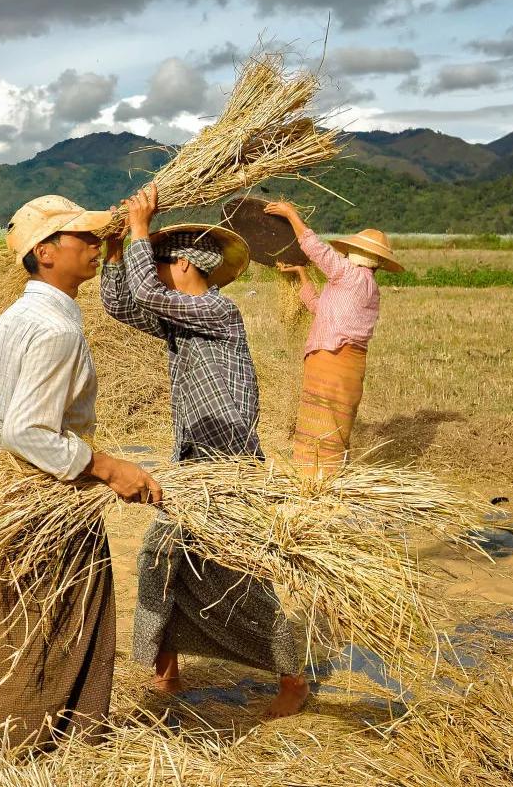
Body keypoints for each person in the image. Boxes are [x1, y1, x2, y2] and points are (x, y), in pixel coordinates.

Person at [103, 185, 308, 719]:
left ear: (188, 266)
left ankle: (293, 678)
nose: (156, 268)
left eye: (163, 259)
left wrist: (141, 229)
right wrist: (115, 249)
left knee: (238, 575)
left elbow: (145, 294)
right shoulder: (180, 318)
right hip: (196, 463)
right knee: (162, 563)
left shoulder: (218, 312)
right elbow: (121, 302)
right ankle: (165, 671)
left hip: (229, 466)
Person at [0, 195, 161, 752]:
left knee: (36, 626)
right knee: (55, 632)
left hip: (16, 497)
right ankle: (6, 743)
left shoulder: (15, 319)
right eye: (84, 239)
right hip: (48, 495)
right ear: (46, 253)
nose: (95, 247)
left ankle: (61, 738)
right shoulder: (56, 332)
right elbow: (26, 430)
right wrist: (108, 467)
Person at [269, 202, 403, 478]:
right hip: (352, 368)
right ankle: (330, 478)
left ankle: (315, 481)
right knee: (337, 425)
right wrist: (302, 274)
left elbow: (316, 249)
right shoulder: (370, 288)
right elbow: (321, 309)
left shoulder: (347, 274)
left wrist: (291, 214)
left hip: (329, 360)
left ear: (354, 254)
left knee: (319, 423)